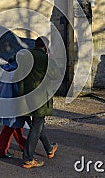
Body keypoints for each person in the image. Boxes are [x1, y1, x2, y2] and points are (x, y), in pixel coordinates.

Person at [17, 36, 61, 169]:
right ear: (46, 47)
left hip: (24, 97)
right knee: (36, 127)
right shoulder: (44, 58)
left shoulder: (25, 56)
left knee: (38, 125)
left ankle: (49, 149)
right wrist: (52, 58)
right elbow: (56, 75)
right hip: (39, 98)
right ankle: (28, 159)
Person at [0, 58, 27, 158]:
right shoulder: (17, 71)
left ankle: (24, 145)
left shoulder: (8, 69)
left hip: (4, 99)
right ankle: (1, 151)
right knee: (10, 127)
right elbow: (17, 89)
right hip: (12, 101)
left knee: (15, 126)